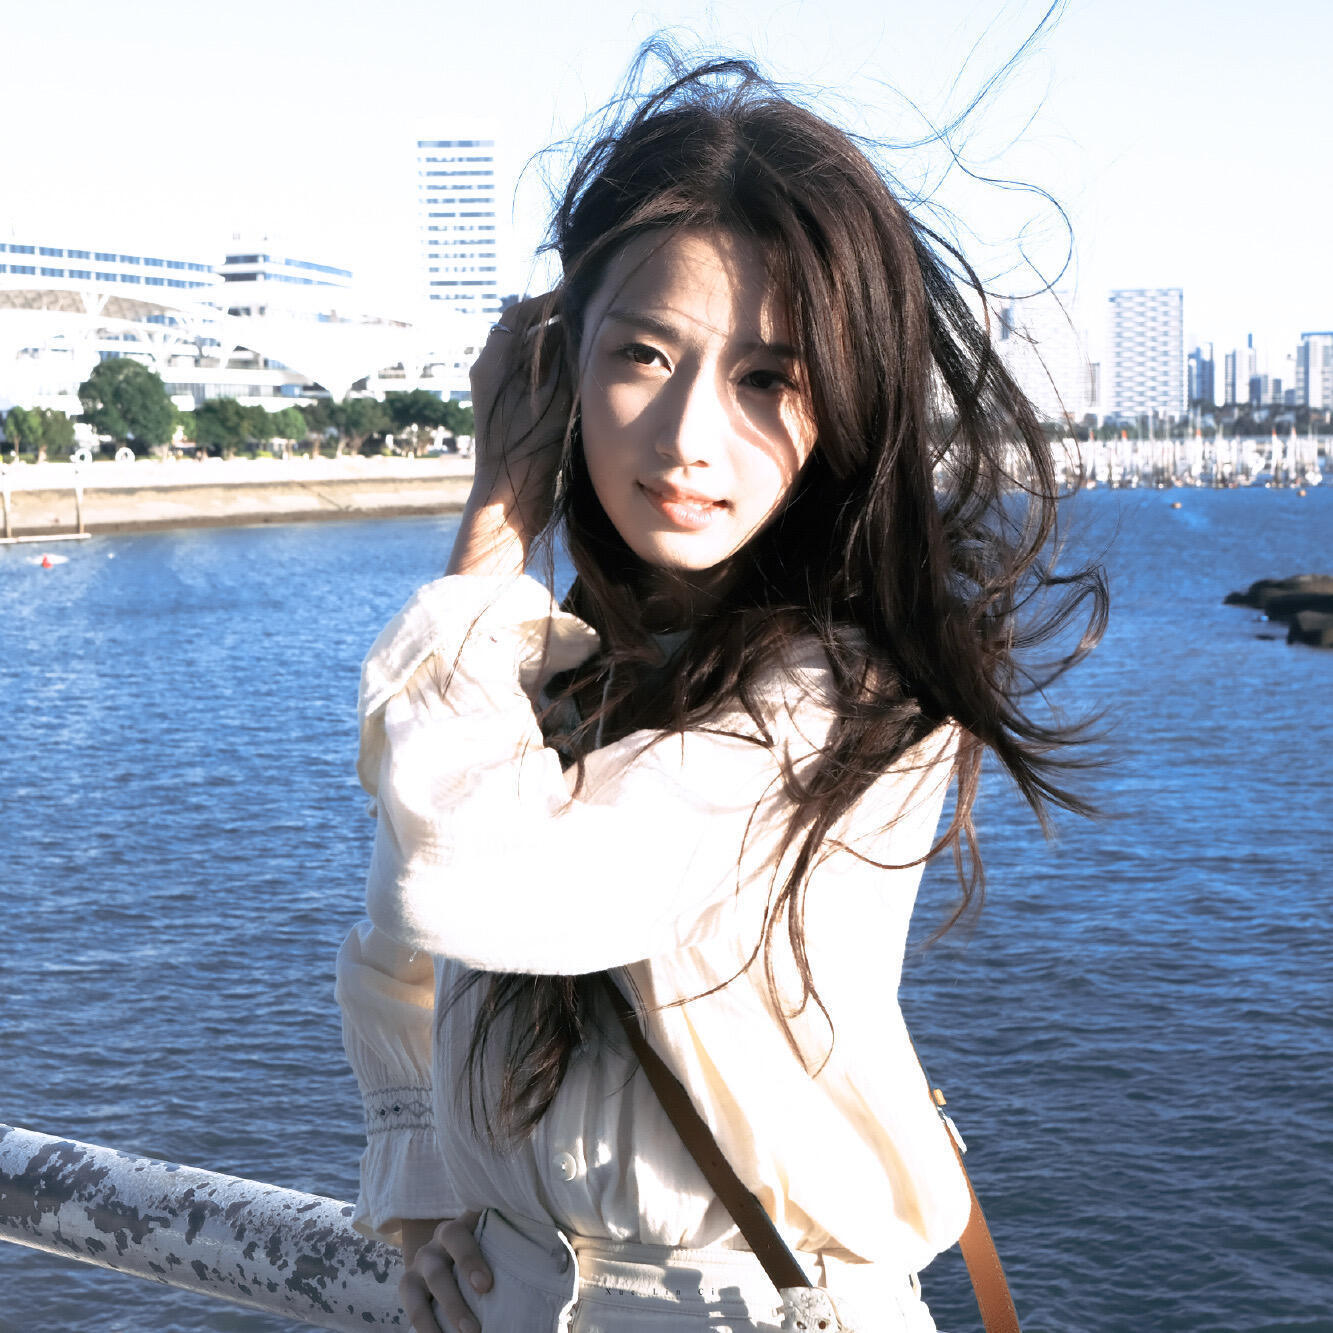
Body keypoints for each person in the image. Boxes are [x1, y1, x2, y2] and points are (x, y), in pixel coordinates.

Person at [336, 51, 1105, 1333]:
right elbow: (395, 956)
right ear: (559, 370)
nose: (689, 435)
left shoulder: (845, 696)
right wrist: (424, 1199)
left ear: (843, 404)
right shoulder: (548, 664)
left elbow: (477, 877)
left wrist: (493, 521)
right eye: (643, 354)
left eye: (767, 378)